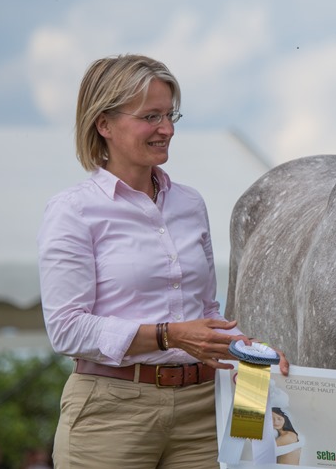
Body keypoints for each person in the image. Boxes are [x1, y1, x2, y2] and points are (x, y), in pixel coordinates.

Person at [38, 54, 289, 468]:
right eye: (150, 116)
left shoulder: (190, 204)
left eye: (170, 115)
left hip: (202, 410)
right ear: (104, 124)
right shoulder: (72, 211)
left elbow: (205, 313)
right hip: (110, 414)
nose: (167, 129)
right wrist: (169, 336)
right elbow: (66, 329)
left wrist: (251, 350)